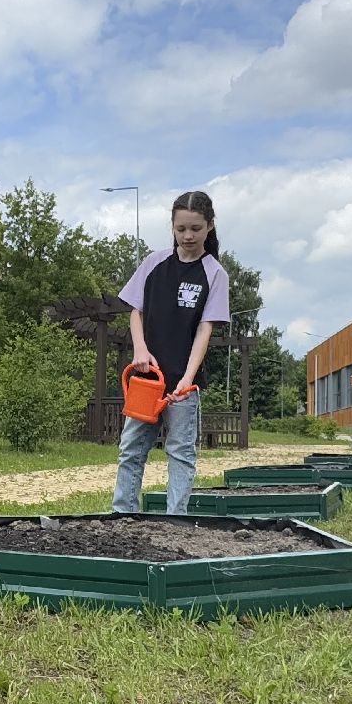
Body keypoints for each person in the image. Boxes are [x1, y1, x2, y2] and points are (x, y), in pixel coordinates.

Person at [111, 190, 230, 515]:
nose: (188, 236)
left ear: (210, 226)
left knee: (180, 453)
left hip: (183, 387)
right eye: (181, 229)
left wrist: (187, 379)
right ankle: (123, 515)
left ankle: (175, 520)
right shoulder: (154, 263)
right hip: (146, 379)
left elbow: (205, 329)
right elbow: (135, 310)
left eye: (195, 228)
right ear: (173, 227)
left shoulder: (215, 274)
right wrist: (140, 349)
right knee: (131, 450)